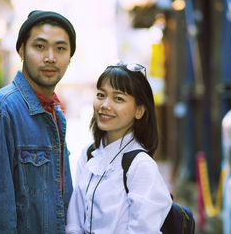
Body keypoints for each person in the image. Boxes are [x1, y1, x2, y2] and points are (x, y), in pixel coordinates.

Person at [0, 10, 76, 233]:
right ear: (21, 50)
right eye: (39, 46)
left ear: (69, 58)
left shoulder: (56, 116)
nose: (50, 57)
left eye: (61, 48)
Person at [66, 63, 173, 234]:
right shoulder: (88, 155)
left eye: (118, 98)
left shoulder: (141, 166)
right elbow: (74, 221)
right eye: (101, 95)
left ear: (139, 111)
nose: (105, 105)